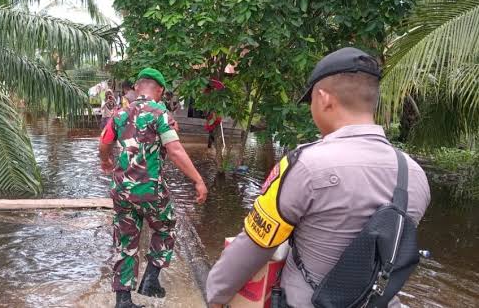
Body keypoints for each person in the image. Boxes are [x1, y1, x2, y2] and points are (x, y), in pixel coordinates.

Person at [206, 47, 431, 308]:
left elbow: (257, 244)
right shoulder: (415, 174)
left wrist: (215, 295)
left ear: (324, 98)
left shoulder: (306, 165)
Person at [99, 68, 208, 308]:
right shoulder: (161, 113)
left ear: (138, 87)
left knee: (125, 240)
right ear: (160, 90)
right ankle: (150, 280)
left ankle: (123, 300)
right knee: (165, 227)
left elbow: (104, 141)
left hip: (122, 190)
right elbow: (175, 150)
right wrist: (198, 180)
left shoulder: (119, 112)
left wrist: (105, 161)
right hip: (150, 190)